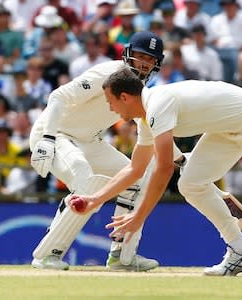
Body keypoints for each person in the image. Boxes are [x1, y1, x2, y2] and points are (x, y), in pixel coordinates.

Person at [70, 68, 242, 276]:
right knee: (191, 184)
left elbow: (165, 167)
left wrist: (139, 216)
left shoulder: (158, 105)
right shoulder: (147, 119)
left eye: (110, 102)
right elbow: (135, 168)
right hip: (226, 130)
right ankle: (241, 250)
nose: (110, 108)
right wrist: (94, 200)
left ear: (124, 96)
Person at [29, 31, 185, 271]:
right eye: (141, 56)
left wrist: (181, 160)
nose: (144, 63)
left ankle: (121, 256)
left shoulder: (142, 89)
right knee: (84, 178)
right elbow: (58, 96)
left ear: (157, 64)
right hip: (55, 134)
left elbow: (151, 129)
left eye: (150, 59)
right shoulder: (108, 73)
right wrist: (48, 138)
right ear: (128, 53)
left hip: (89, 141)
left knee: (139, 179)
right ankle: (47, 255)